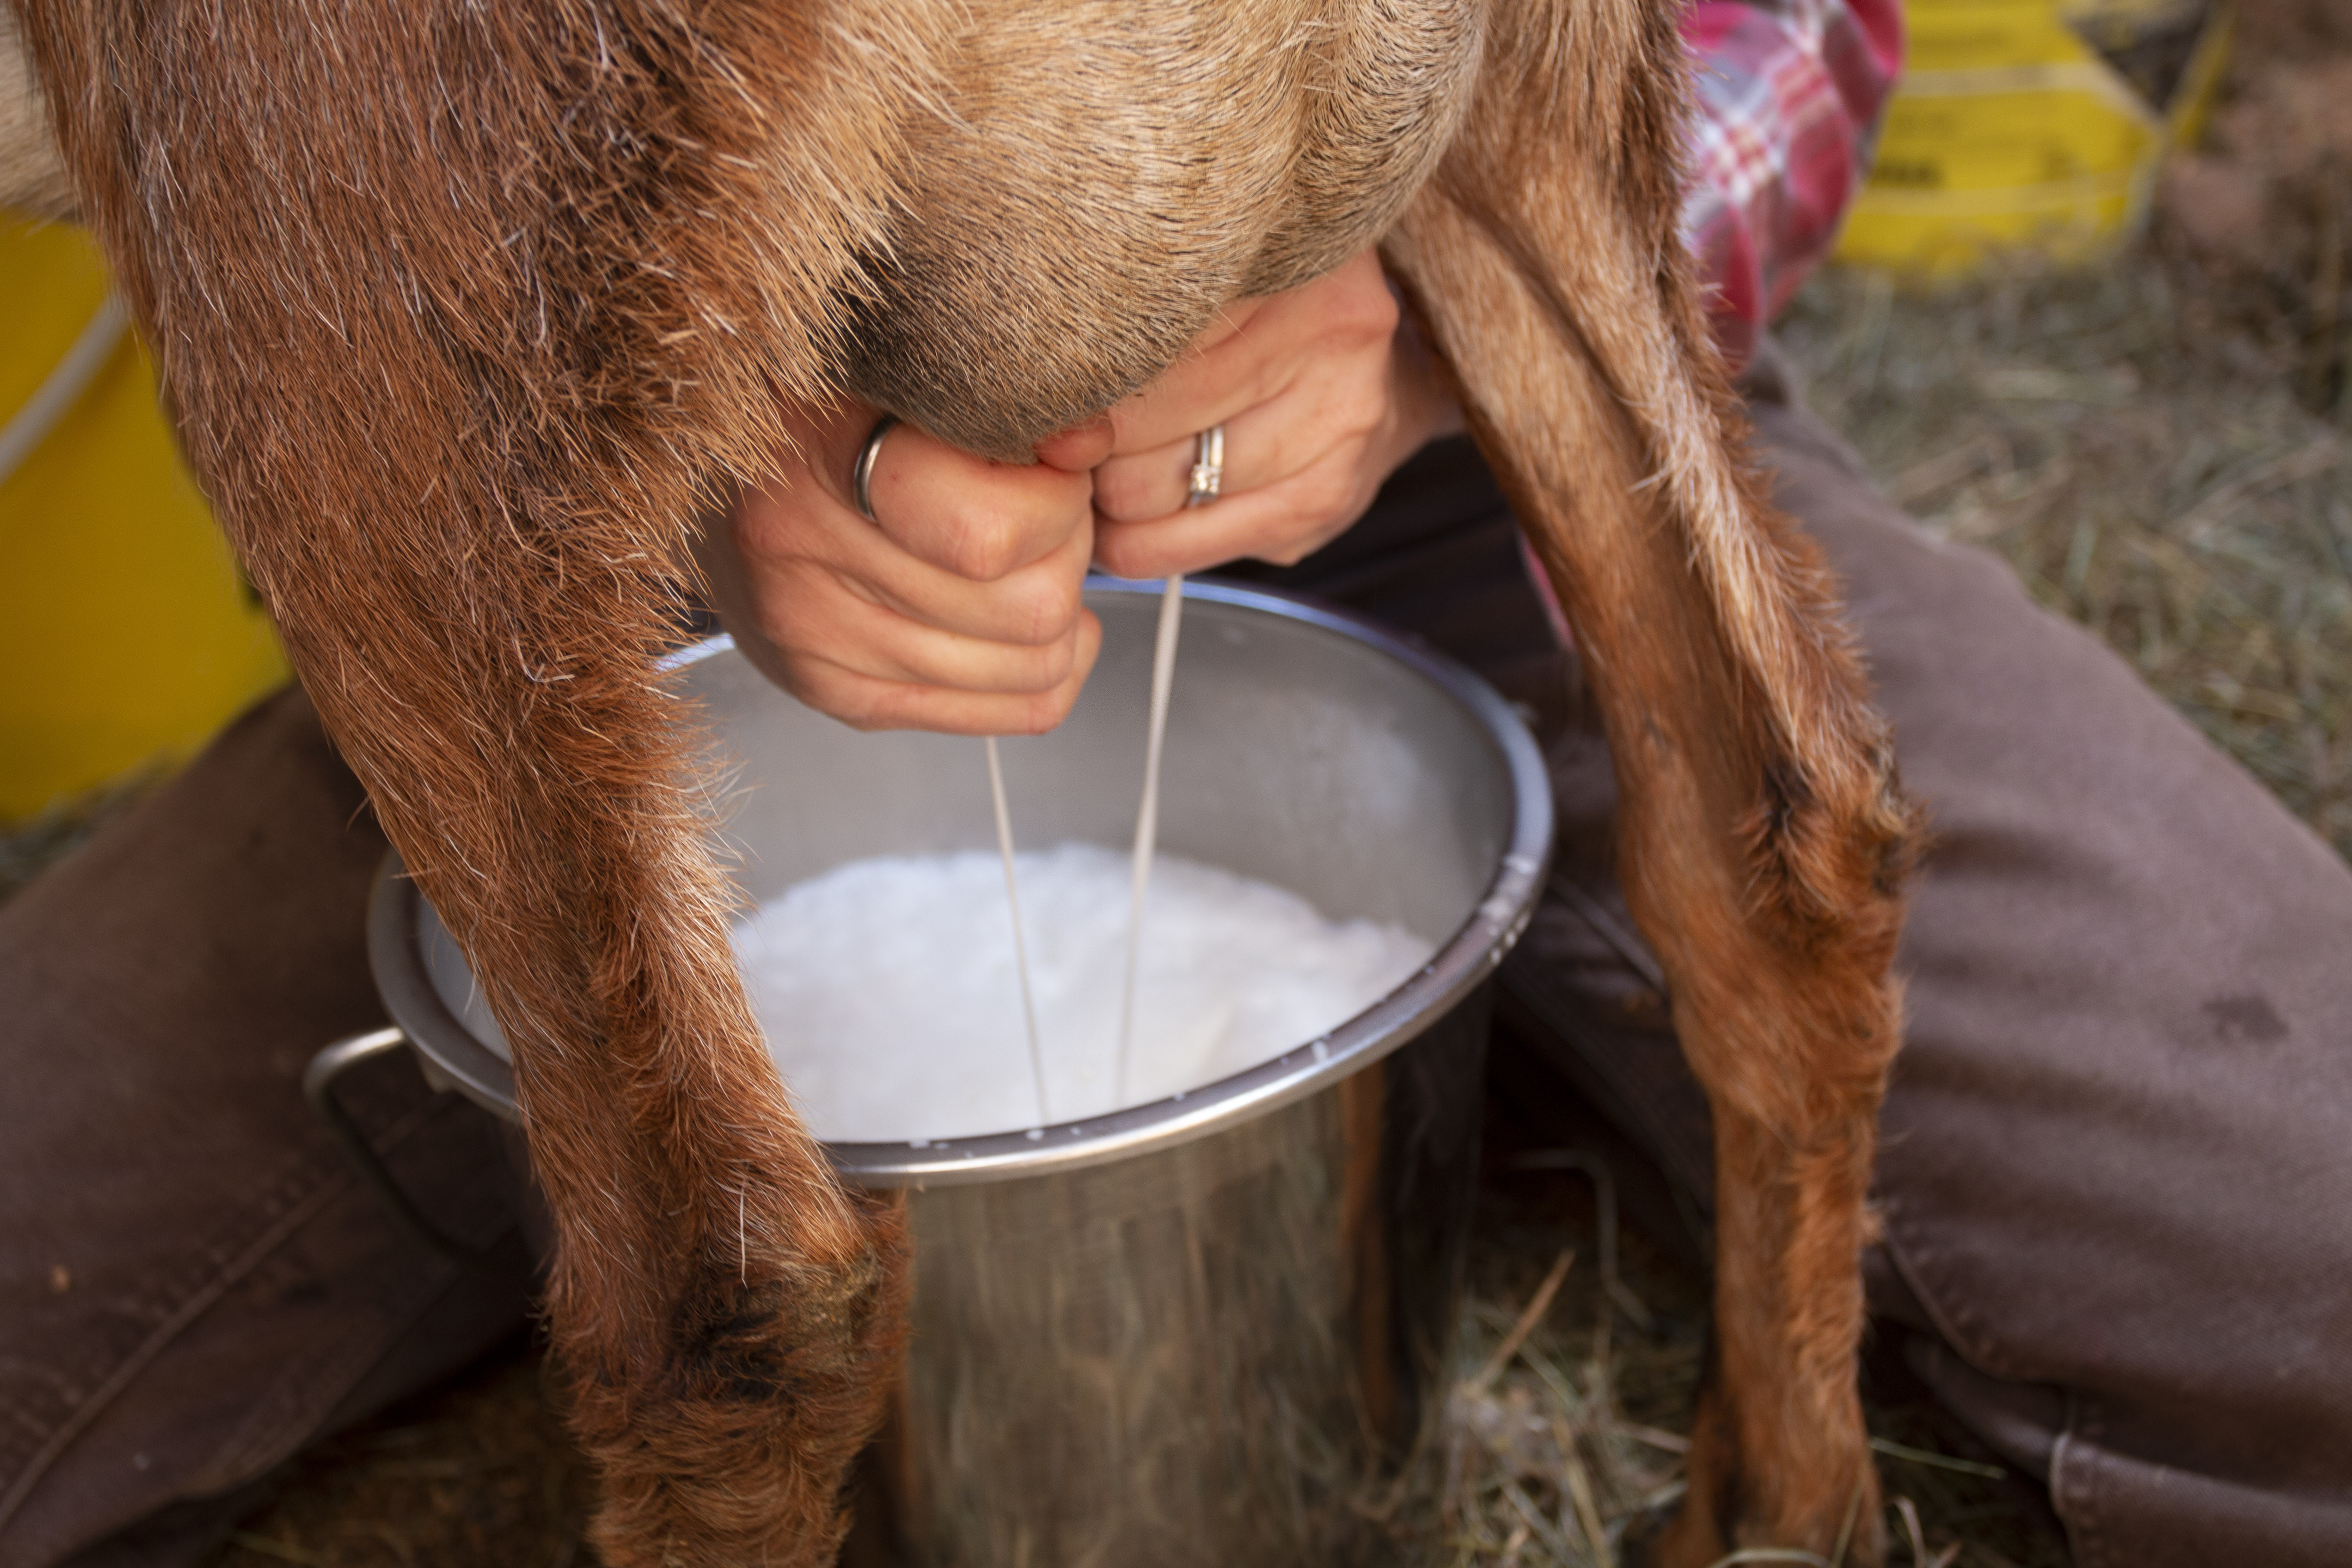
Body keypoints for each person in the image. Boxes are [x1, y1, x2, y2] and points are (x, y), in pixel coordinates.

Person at [4, 1, 2348, 1565]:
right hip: (608, 567)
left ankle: (1765, 1397)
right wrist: (723, 436)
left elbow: (1789, 27)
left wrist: (1414, 337)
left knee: (2307, 1264)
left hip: (1503, 436)